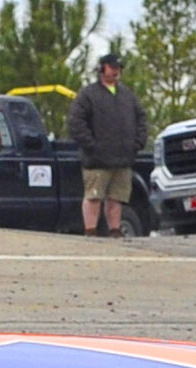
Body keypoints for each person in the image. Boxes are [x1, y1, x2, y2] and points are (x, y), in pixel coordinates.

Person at [68, 53, 150, 235]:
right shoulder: (88, 94)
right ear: (102, 69)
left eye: (118, 68)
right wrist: (93, 146)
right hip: (97, 161)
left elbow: (141, 119)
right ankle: (91, 231)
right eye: (112, 68)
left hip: (122, 160)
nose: (116, 71)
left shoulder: (128, 95)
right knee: (93, 197)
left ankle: (115, 231)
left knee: (116, 199)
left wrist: (137, 144)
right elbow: (76, 123)